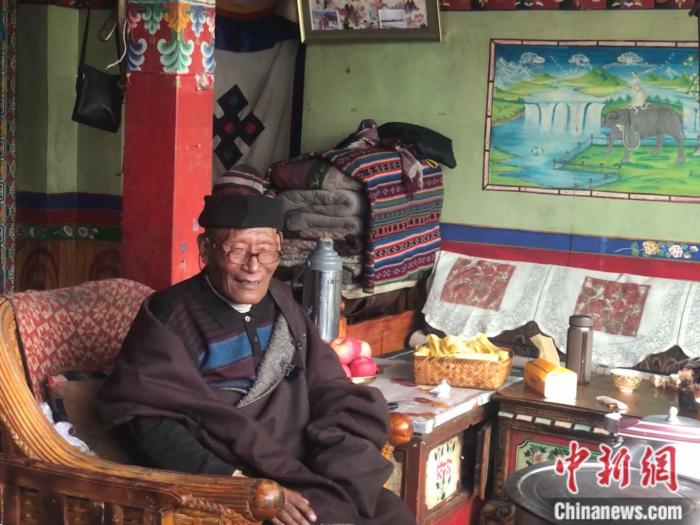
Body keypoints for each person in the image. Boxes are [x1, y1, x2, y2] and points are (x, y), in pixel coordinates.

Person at [96, 169, 415, 525]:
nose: (253, 267)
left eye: (266, 252)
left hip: (307, 467)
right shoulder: (168, 316)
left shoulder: (281, 301)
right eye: (237, 251)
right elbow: (145, 418)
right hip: (239, 476)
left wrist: (338, 457)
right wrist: (236, 485)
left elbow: (328, 385)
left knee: (392, 515)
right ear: (206, 249)